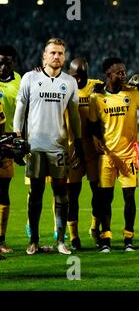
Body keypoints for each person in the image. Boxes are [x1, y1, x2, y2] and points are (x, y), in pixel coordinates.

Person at [14, 38, 83, 255]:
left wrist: (78, 142)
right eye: (52, 52)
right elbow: (20, 109)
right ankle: (33, 240)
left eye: (60, 53)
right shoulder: (30, 78)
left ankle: (61, 240)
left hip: (58, 147)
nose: (56, 56)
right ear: (44, 56)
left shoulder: (69, 82)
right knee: (36, 193)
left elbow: (74, 115)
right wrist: (18, 137)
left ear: (64, 56)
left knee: (61, 193)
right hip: (34, 147)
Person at [88, 57, 139, 253]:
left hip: (129, 155)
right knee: (106, 198)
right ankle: (106, 239)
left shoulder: (133, 93)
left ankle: (129, 239)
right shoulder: (97, 98)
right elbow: (93, 123)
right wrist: (95, 137)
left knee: (130, 198)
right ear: (108, 75)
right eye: (118, 72)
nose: (123, 75)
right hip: (107, 157)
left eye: (124, 71)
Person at [66, 57, 104, 250]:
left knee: (97, 192)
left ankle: (94, 228)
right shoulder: (64, 87)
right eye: (75, 76)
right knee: (72, 194)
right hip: (73, 149)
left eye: (82, 76)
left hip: (92, 150)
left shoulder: (96, 86)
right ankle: (73, 236)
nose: (79, 80)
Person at [0, 45, 21, 255]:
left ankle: (1, 239)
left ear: (13, 62)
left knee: (3, 191)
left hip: (7, 143)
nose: (2, 66)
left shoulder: (21, 81)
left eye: (7, 62)